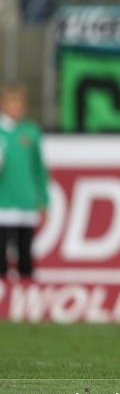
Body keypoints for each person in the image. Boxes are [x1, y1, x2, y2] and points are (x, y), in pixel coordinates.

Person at [0, 84, 49, 281]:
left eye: (20, 102)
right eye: (13, 102)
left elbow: (39, 168)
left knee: (25, 252)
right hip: (3, 202)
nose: (17, 107)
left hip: (26, 200)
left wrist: (43, 199)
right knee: (2, 251)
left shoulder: (31, 131)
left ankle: (25, 298)